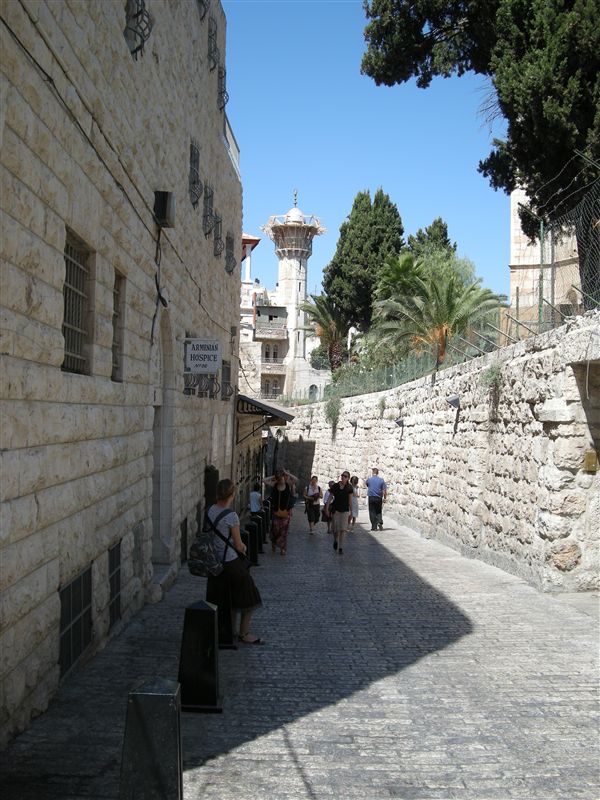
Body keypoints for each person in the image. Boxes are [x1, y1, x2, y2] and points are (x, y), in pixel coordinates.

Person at [206, 478, 265, 644]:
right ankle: (244, 633)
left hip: (214, 560)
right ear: (232, 495)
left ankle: (229, 630)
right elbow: (239, 545)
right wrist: (244, 547)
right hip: (229, 561)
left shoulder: (210, 510)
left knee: (228, 596)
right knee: (250, 595)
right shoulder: (231, 516)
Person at [263, 468, 298, 555]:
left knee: (284, 531)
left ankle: (283, 548)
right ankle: (274, 543)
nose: (281, 480)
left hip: (286, 512)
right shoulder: (274, 485)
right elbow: (264, 480)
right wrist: (274, 477)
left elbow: (296, 479)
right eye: (280, 478)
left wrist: (287, 473)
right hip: (276, 512)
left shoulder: (288, 484)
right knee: (275, 530)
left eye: (282, 477)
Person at [326, 470, 354, 554]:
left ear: (348, 478)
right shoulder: (335, 486)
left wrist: (351, 512)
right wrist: (327, 507)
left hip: (345, 510)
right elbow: (330, 497)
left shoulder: (349, 488)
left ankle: (341, 547)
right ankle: (335, 540)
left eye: (345, 476)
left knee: (343, 529)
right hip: (336, 510)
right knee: (335, 529)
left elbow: (350, 500)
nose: (343, 477)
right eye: (342, 475)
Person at [365, 467, 387, 531]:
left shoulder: (369, 479)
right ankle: (379, 522)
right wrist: (385, 498)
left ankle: (374, 526)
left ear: (372, 472)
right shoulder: (381, 480)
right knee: (378, 511)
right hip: (378, 497)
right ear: (378, 473)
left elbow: (367, 484)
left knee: (372, 511)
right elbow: (384, 490)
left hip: (371, 497)